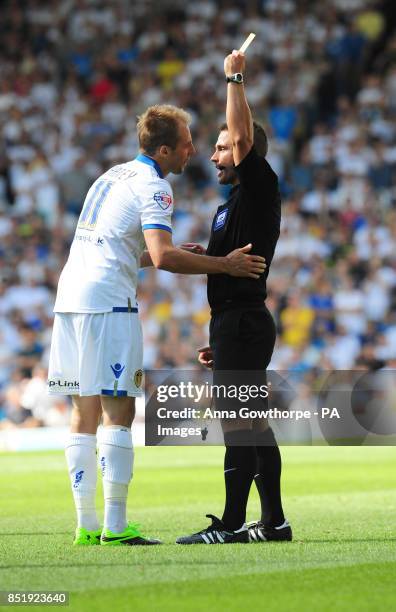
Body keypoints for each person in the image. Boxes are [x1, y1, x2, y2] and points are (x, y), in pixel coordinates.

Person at [47, 104, 266, 547]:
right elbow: (165, 257)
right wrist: (222, 263)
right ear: (164, 149)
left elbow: (131, 252)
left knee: (82, 411)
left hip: (70, 298)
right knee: (119, 409)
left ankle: (86, 526)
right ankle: (115, 526)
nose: (193, 150)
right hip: (110, 303)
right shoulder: (155, 187)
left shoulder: (111, 176)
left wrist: (167, 255)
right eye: (186, 142)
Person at [176, 52, 291, 545]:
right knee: (253, 425)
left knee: (239, 426)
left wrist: (234, 77)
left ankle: (230, 524)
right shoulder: (229, 208)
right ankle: (274, 523)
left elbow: (243, 136)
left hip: (244, 321)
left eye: (222, 148)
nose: (215, 155)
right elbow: (226, 271)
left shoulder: (260, 186)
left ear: (245, 152)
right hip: (233, 324)